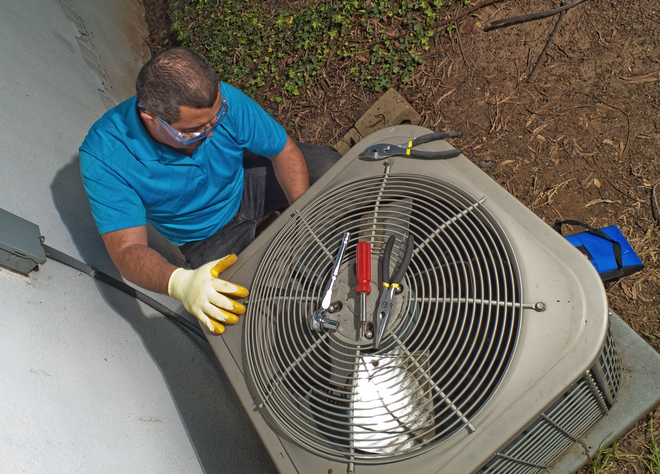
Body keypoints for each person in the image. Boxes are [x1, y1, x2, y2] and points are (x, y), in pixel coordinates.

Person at [79, 47, 340, 334]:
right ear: (150, 118)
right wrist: (180, 283)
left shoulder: (219, 100)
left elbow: (283, 150)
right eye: (195, 130)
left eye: (216, 119)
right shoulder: (105, 155)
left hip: (248, 182)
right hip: (205, 237)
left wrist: (303, 212)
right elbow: (128, 250)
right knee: (246, 317)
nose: (211, 132)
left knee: (329, 166)